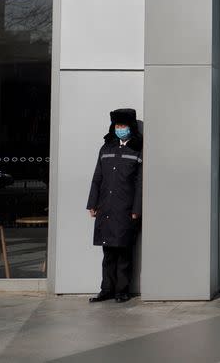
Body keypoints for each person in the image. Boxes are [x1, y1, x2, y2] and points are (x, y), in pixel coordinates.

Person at [87, 108, 143, 303]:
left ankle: (122, 291)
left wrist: (137, 209)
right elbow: (97, 178)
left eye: (123, 126)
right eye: (117, 125)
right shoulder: (106, 148)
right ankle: (106, 290)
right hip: (106, 208)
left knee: (124, 252)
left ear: (131, 127)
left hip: (126, 210)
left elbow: (140, 183)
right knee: (108, 252)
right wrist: (92, 203)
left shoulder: (138, 149)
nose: (120, 129)